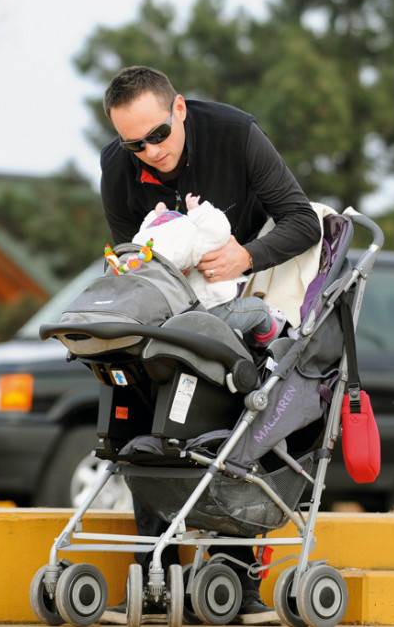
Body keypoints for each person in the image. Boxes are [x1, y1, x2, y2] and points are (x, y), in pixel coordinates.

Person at [98, 65, 320, 625]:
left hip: (236, 309)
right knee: (147, 433)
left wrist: (246, 255)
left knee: (238, 429)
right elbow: (134, 259)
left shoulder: (235, 134)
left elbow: (302, 221)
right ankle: (155, 575)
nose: (148, 151)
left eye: (157, 135)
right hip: (167, 320)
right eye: (133, 143)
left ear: (179, 110)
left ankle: (236, 578)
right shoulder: (117, 165)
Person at [130, 193, 285, 346]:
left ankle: (245, 340)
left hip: (177, 322)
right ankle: (264, 339)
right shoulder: (194, 241)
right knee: (259, 309)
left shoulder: (145, 256)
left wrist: (154, 216)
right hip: (215, 311)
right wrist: (198, 210)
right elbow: (220, 230)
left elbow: (142, 235)